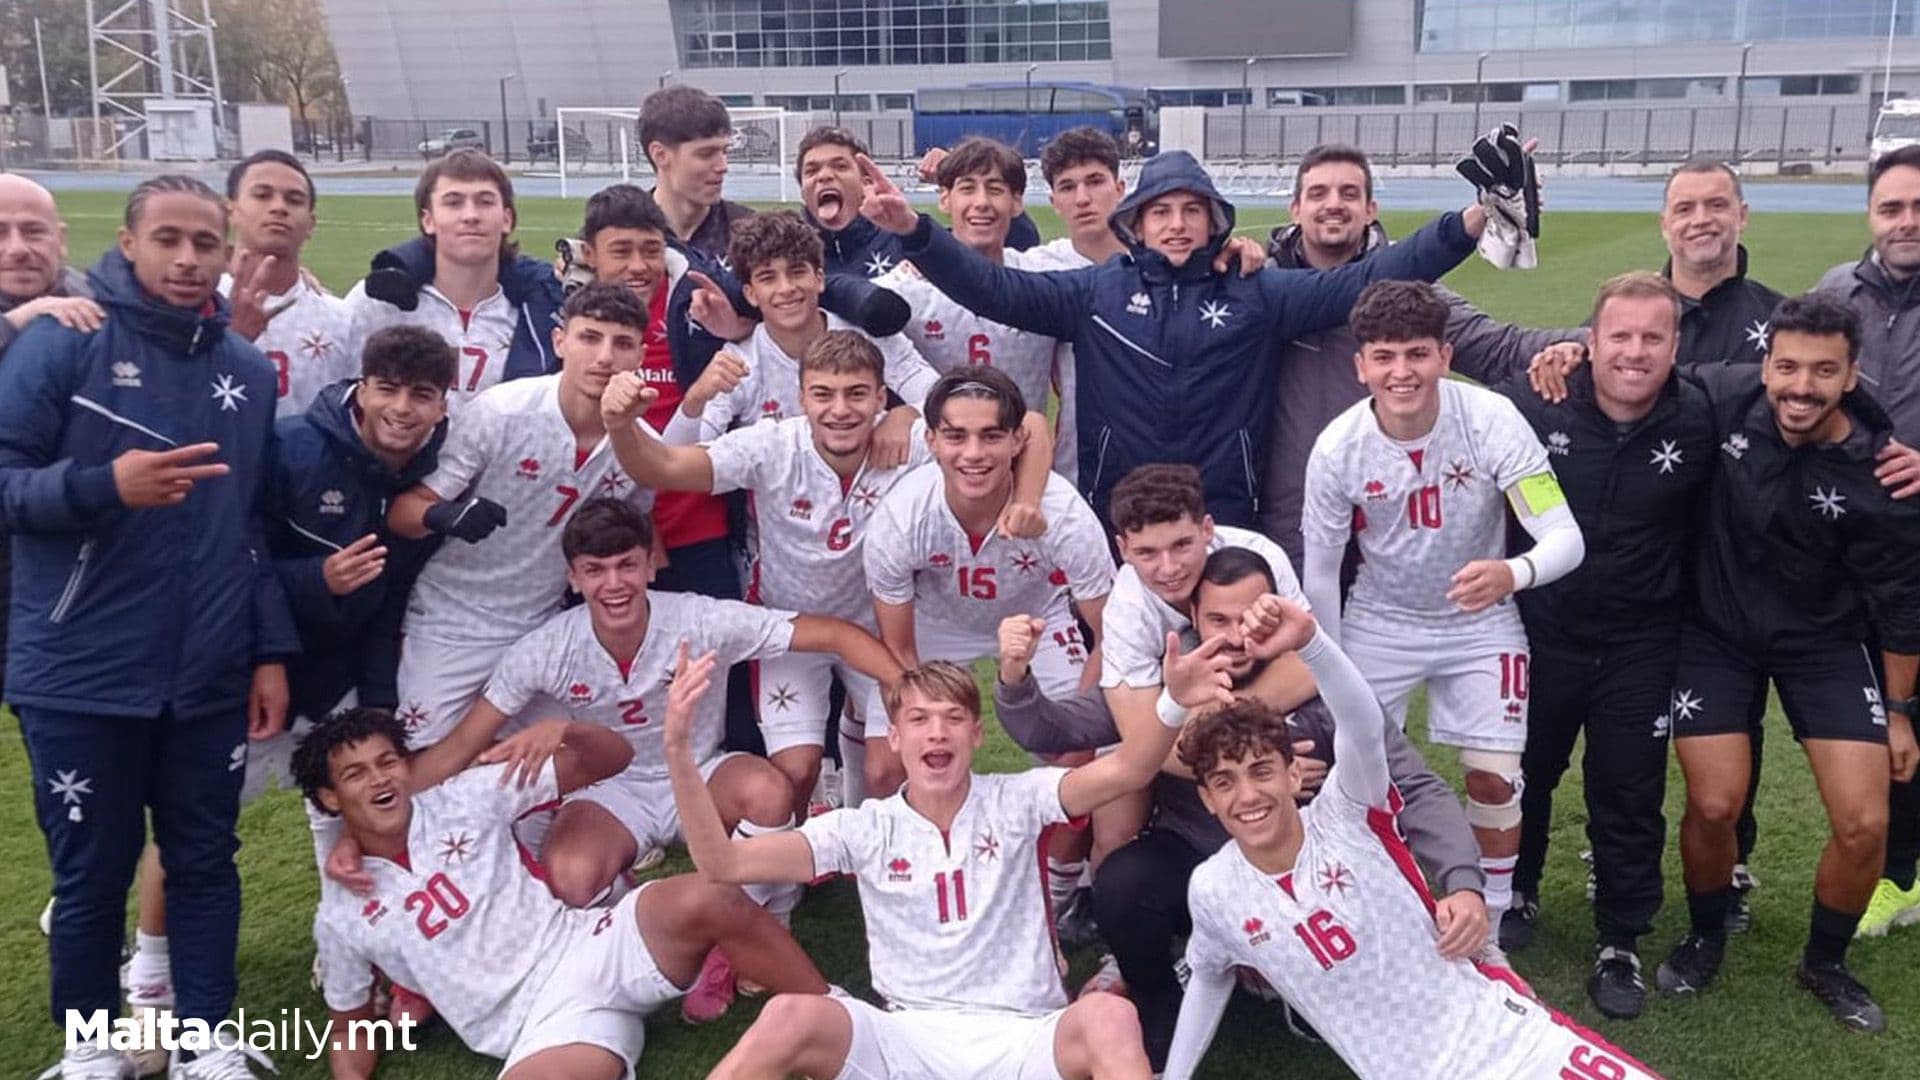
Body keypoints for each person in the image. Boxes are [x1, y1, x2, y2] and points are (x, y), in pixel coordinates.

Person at [0, 175, 296, 1080]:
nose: (186, 259)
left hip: (206, 671)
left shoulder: (245, 369)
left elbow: (252, 525)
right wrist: (102, 487)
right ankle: (90, 1050)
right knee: (91, 874)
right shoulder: (63, 343)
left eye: (204, 243)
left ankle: (206, 1042)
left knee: (206, 859)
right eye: (167, 239)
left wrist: (269, 650)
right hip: (80, 668)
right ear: (127, 245)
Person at [407, 497, 901, 1021]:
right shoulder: (545, 648)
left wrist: (904, 685)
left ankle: (757, 928)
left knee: (770, 791)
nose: (613, 584)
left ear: (649, 563)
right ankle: (645, 932)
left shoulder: (697, 618)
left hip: (697, 771)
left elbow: (832, 633)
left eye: (626, 565)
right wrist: (375, 817)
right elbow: (461, 746)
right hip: (613, 789)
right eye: (595, 571)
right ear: (573, 577)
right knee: (570, 877)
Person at [999, 547, 1488, 1071]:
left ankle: (1313, 982)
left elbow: (1414, 785)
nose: (1235, 635)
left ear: (1275, 610)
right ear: (1192, 617)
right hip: (1204, 860)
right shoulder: (1169, 683)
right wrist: (1014, 673)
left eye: (1250, 617)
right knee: (1124, 881)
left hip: (1319, 871)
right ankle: (1162, 1006)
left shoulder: (1321, 683)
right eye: (1217, 620)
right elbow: (1046, 730)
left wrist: (1462, 881)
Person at [667, 635, 1235, 1080]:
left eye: (952, 718)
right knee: (790, 1015)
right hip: (908, 1035)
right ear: (894, 738)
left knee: (1112, 1016)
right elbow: (721, 863)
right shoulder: (862, 829)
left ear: (976, 734)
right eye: (918, 719)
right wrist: (677, 749)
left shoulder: (1020, 799)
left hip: (1024, 1036)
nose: (936, 733)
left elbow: (1130, 769)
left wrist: (1172, 704)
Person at [854, 144, 1493, 529]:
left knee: (1227, 687)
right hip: (1117, 517)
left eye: (1193, 210)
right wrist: (915, 230)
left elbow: (1372, 277)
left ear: (1215, 219)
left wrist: (1472, 221)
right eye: (1162, 211)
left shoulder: (1258, 292)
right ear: (1138, 220)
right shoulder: (1093, 290)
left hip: (1225, 515)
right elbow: (994, 290)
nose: (1178, 224)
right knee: (1124, 693)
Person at [1162, 595, 1663, 1080]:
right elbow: (1208, 972)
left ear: (1294, 776)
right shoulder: (1213, 887)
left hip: (1511, 1045)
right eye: (1225, 782)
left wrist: (1313, 642)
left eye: (1261, 771)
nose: (1247, 795)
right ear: (1207, 799)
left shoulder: (1347, 813)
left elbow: (1362, 727)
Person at [299, 707, 830, 1078]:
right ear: (329, 797)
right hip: (536, 1025)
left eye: (387, 762)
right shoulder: (341, 915)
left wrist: (566, 729)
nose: (378, 780)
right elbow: (350, 1026)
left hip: (589, 944)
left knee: (712, 897)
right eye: (355, 774)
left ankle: (842, 1023)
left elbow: (612, 758)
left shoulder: (462, 798)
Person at [1655, 293, 1920, 1033]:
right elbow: (1641, 367)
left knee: (1865, 821)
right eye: (1788, 366)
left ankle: (1824, 961)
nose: (1800, 386)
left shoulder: (1885, 471)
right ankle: (1706, 934)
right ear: (1764, 363)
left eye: (1823, 371)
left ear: (1851, 375)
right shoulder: (1726, 393)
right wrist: (1569, 355)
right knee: (1713, 804)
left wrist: (1899, 714)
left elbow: (1903, 602)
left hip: (1826, 647)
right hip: (1716, 633)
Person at [1300, 280, 1586, 944]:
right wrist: (1330, 671)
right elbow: (1321, 573)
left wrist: (1510, 573)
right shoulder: (1338, 447)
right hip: (1381, 621)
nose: (1402, 373)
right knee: (1356, 777)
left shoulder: (1490, 419)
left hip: (1479, 626)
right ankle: (1375, 910)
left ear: (1446, 355)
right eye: (1385, 357)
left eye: (1418, 354)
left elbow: (1566, 539)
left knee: (1496, 780)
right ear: (1361, 365)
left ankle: (1488, 919)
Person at [1494, 272, 1717, 1016]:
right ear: (1589, 342)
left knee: (1627, 791)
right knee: (1527, 770)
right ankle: (1514, 891)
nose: (1635, 352)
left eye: (1653, 337)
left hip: (1641, 642)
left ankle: (1620, 937)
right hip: (1542, 630)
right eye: (1619, 335)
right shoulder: (1538, 401)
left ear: (1675, 346)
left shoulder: (1700, 418)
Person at [602, 330, 931, 816]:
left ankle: (864, 844)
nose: (840, 409)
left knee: (890, 769)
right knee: (797, 771)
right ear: (801, 399)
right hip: (789, 628)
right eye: (823, 394)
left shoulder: (909, 442)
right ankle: (789, 873)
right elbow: (664, 468)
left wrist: (910, 415)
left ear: (881, 397)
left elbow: (1021, 428)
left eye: (857, 394)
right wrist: (619, 425)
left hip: (880, 627)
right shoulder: (772, 444)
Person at [1258, 143, 1582, 568]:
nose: (1334, 205)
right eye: (1318, 194)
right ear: (1294, 209)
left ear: (1371, 208)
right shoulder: (1253, 288)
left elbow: (1499, 350)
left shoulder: (1409, 296)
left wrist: (1601, 341)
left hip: (1388, 533)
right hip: (1284, 531)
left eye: (1349, 194)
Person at [385, 283, 651, 749]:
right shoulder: (503, 411)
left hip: (542, 625)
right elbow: (402, 514)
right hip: (454, 618)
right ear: (559, 342)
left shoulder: (639, 442)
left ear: (641, 355)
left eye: (622, 343)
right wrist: (447, 516)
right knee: (422, 757)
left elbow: (631, 534)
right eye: (590, 337)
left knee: (540, 768)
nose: (605, 357)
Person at [862, 367, 1114, 797]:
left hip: (1039, 616)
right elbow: (900, 648)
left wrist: (1079, 726)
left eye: (992, 436)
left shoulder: (1064, 514)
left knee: (1075, 758)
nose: (973, 453)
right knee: (887, 766)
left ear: (1018, 441)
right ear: (932, 441)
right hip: (937, 619)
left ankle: (1056, 866)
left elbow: (1108, 631)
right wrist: (924, 722)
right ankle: (906, 855)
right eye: (956, 436)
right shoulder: (901, 518)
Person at [1817, 143, 1920, 936]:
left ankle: (1904, 871)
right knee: (1882, 708)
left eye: (1919, 208)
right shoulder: (1834, 293)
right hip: (1856, 538)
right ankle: (1894, 872)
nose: (1907, 221)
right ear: (1870, 215)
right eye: (1892, 207)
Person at [342, 149, 564, 408]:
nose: (470, 215)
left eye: (485, 201)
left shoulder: (539, 307)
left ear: (507, 219)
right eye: (453, 202)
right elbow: (341, 396)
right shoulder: (376, 303)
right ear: (428, 221)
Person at [0, 173, 102, 714]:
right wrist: (18, 325)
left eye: (32, 231)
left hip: (71, 568)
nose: (17, 248)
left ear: (60, 238)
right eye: (0, 233)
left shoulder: (92, 299)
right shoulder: (36, 316)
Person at [218, 149, 355, 417]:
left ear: (311, 224)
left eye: (294, 199)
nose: (279, 207)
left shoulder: (342, 319)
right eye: (262, 195)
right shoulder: (196, 304)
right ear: (230, 211)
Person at [1661, 156, 1784, 366]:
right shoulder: (1622, 321)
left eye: (1716, 205)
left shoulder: (1781, 319)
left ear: (1742, 216)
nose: (1700, 220)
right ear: (1665, 225)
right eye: (1684, 209)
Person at [638, 84, 757, 263]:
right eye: (706, 154)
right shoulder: (621, 235)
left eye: (725, 151)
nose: (723, 166)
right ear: (660, 155)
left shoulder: (751, 232)